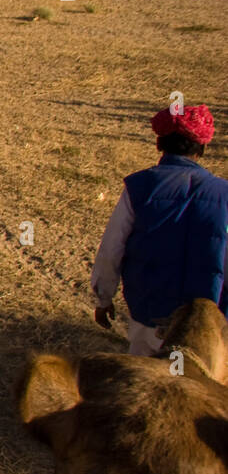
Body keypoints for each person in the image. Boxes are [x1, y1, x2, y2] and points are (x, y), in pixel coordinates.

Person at [91, 103, 228, 355]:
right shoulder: (224, 194)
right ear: (203, 147)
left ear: (159, 143)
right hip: (204, 327)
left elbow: (112, 249)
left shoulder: (139, 187)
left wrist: (104, 298)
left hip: (149, 316)